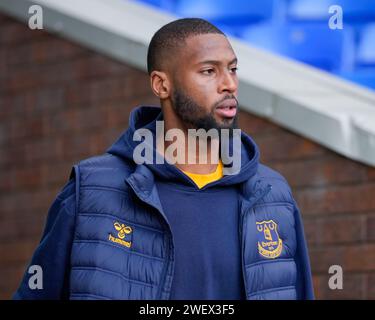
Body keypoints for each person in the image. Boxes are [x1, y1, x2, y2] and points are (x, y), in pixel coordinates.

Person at [14, 18, 314, 300]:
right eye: (209, 71)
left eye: (232, 69)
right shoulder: (91, 189)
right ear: (161, 85)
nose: (229, 84)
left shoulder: (273, 196)